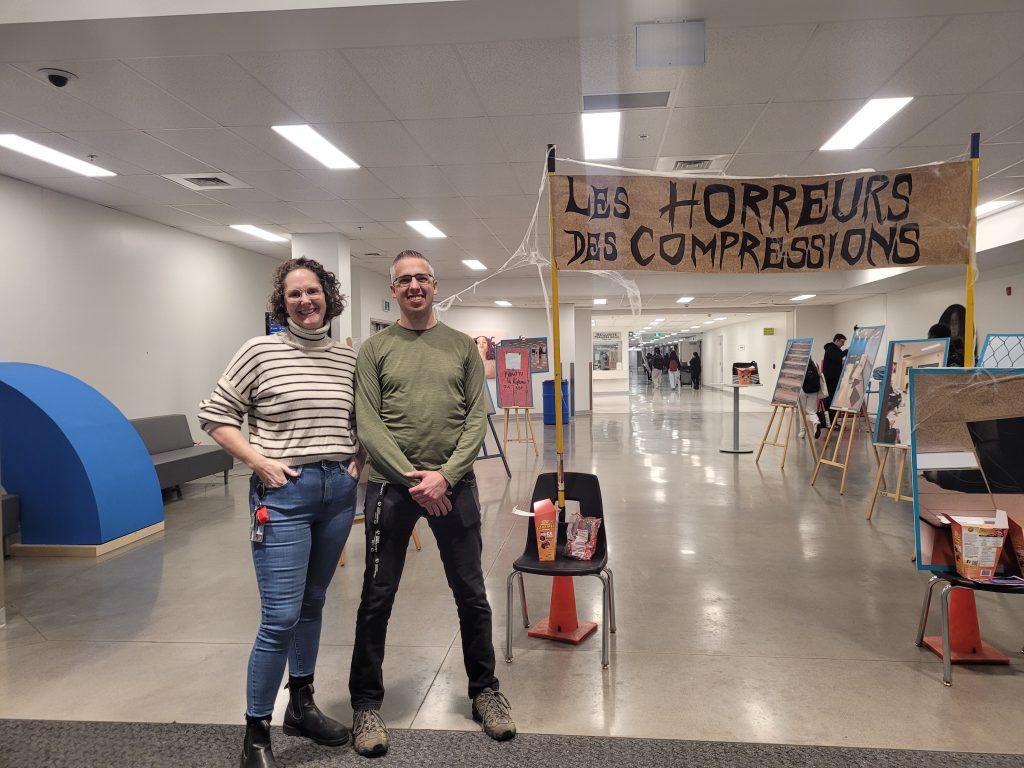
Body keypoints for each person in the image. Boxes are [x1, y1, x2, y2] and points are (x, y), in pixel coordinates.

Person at [348, 250, 515, 757]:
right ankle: (365, 705)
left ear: (435, 286)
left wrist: (444, 476)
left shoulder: (462, 347)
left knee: (471, 593)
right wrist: (412, 479)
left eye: (422, 278)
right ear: (393, 289)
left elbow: (475, 417)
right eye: (405, 280)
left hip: (454, 487)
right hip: (391, 490)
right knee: (377, 596)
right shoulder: (375, 349)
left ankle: (486, 693)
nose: (414, 286)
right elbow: (368, 423)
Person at [199, 257, 362, 768]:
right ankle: (255, 732)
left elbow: (362, 419)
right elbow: (214, 415)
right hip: (283, 495)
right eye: (294, 294)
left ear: (328, 298)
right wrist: (258, 460)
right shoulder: (259, 351)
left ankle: (303, 705)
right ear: (281, 302)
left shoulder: (346, 358)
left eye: (313, 291)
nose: (305, 301)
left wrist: (359, 460)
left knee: (313, 604)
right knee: (280, 617)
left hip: (337, 492)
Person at [821, 333, 847, 424]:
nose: (843, 344)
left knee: (833, 402)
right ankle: (831, 423)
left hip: (834, 380)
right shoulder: (831, 349)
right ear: (836, 340)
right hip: (830, 381)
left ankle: (832, 423)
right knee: (831, 402)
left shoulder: (836, 350)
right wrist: (847, 351)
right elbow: (836, 358)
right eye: (842, 342)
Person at [799, 359, 828, 439]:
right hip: (814, 390)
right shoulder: (814, 362)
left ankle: (802, 432)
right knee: (811, 411)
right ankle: (816, 422)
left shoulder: (799, 362)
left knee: (802, 412)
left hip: (802, 390)